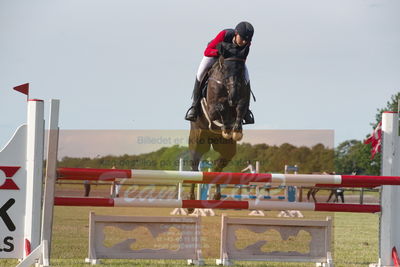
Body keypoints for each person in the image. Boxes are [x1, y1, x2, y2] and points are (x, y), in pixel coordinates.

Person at [184, 21, 255, 123]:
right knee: (200, 74)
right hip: (213, 55)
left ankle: (246, 110)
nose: (244, 42)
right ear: (236, 33)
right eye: (242, 38)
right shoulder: (225, 34)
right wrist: (220, 53)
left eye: (247, 40)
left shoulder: (247, 43)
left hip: (234, 61)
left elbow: (243, 58)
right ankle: (194, 107)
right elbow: (207, 51)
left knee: (246, 78)